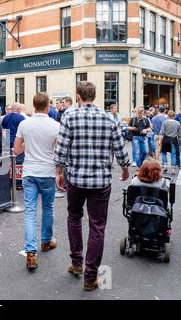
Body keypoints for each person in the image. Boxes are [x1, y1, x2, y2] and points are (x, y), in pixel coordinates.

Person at [54, 81, 130, 291]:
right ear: (95, 97)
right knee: (97, 226)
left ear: (78, 96)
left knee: (74, 218)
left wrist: (58, 172)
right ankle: (90, 277)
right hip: (100, 181)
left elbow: (61, 149)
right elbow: (120, 149)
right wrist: (125, 169)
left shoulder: (69, 116)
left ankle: (77, 263)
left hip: (76, 179)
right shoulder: (109, 118)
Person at [13, 93, 60, 270]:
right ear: (48, 106)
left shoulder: (24, 124)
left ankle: (31, 252)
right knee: (48, 208)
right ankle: (46, 241)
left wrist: (28, 145)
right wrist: (59, 171)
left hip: (30, 171)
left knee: (30, 212)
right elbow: (58, 150)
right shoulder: (56, 125)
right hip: (47, 171)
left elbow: (16, 150)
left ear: (33, 106)